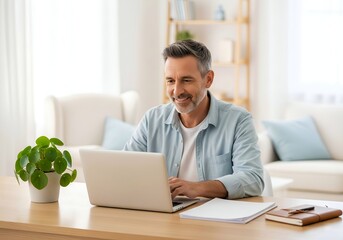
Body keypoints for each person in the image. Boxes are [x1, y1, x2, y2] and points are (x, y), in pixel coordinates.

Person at [124, 39, 264, 200]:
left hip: (215, 218)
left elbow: (253, 179)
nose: (177, 91)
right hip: (164, 216)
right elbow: (126, 168)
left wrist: (197, 188)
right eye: (170, 81)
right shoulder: (152, 119)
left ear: (208, 79)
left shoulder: (238, 120)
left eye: (186, 80)